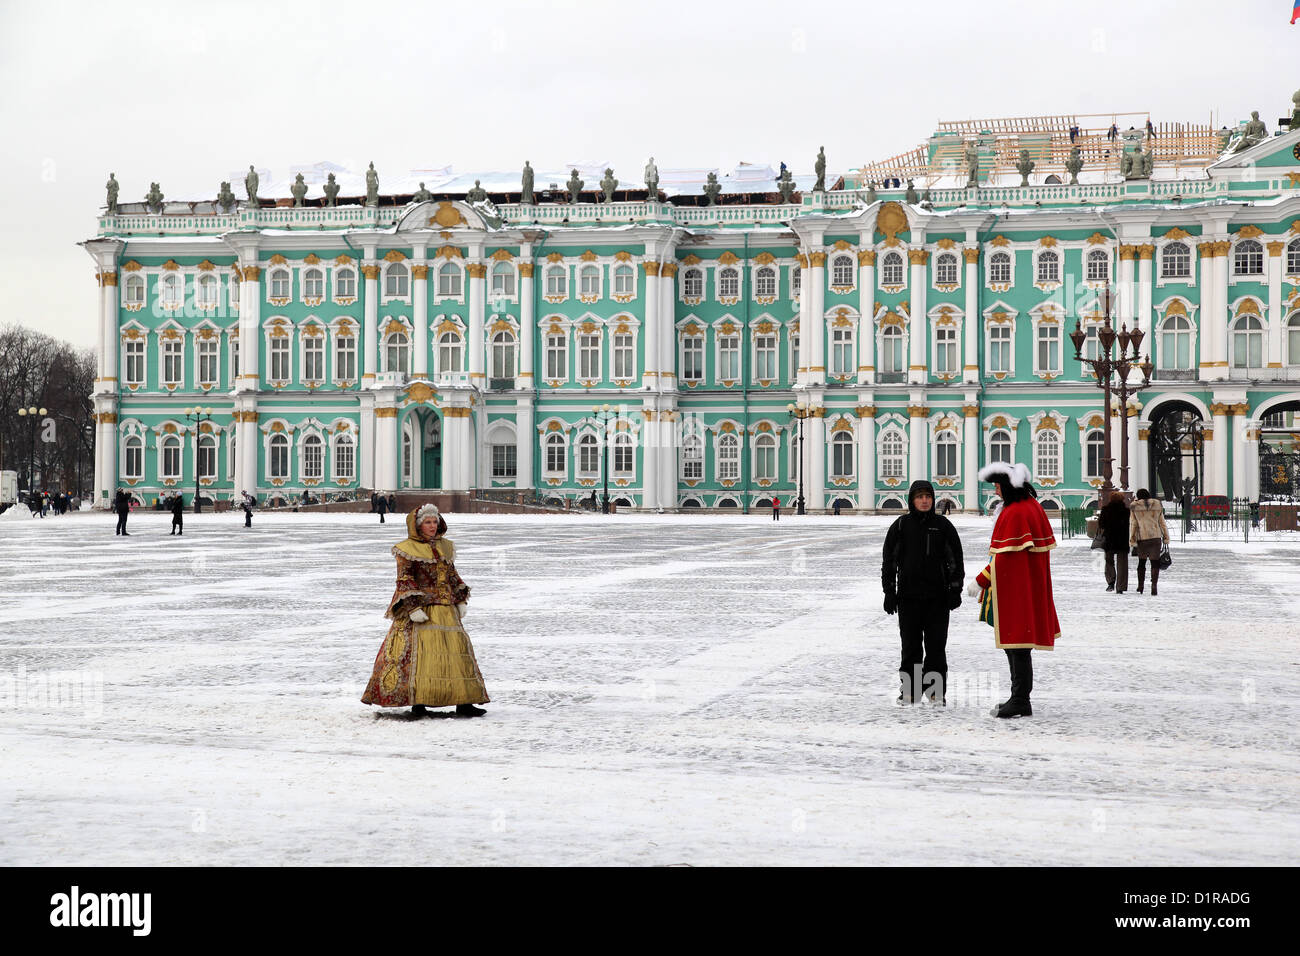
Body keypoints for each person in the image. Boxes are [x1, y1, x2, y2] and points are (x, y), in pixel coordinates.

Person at [362, 503, 489, 718]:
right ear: (419, 526)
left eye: (434, 521)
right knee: (420, 656)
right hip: (421, 609)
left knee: (456, 654)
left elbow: (451, 575)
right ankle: (418, 703)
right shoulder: (407, 549)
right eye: (428, 522)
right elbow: (404, 579)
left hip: (446, 608)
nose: (432, 526)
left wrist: (460, 598)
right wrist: (412, 607)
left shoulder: (445, 547)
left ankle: (464, 702)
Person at [969, 463, 1060, 718]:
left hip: (1016, 590)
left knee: (1018, 645)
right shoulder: (1026, 507)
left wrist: (980, 581)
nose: (996, 490)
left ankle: (1020, 699)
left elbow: (1003, 559)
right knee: (1016, 645)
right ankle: (1018, 696)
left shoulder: (1017, 512)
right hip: (1021, 588)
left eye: (998, 485)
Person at [882, 479, 964, 705]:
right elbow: (889, 562)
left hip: (938, 598)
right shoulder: (900, 526)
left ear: (933, 499)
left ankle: (936, 691)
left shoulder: (943, 526)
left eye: (927, 496)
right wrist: (889, 592)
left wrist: (955, 589)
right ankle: (910, 689)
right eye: (919, 497)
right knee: (910, 647)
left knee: (936, 647)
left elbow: (955, 559)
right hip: (908, 598)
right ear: (912, 500)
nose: (924, 500)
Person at [1128, 488, 1169, 596]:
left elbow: (1134, 524)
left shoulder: (1134, 506)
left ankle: (1140, 585)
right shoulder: (1157, 504)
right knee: (1155, 562)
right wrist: (1165, 536)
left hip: (1142, 537)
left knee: (1141, 563)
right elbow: (1162, 522)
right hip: (1155, 537)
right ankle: (1154, 585)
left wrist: (1132, 539)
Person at [1098, 490, 1129, 593]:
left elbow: (1101, 524)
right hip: (1122, 539)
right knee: (1122, 563)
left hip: (1109, 539)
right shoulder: (1126, 511)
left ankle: (1111, 582)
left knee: (1109, 561)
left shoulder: (1106, 510)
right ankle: (1120, 587)